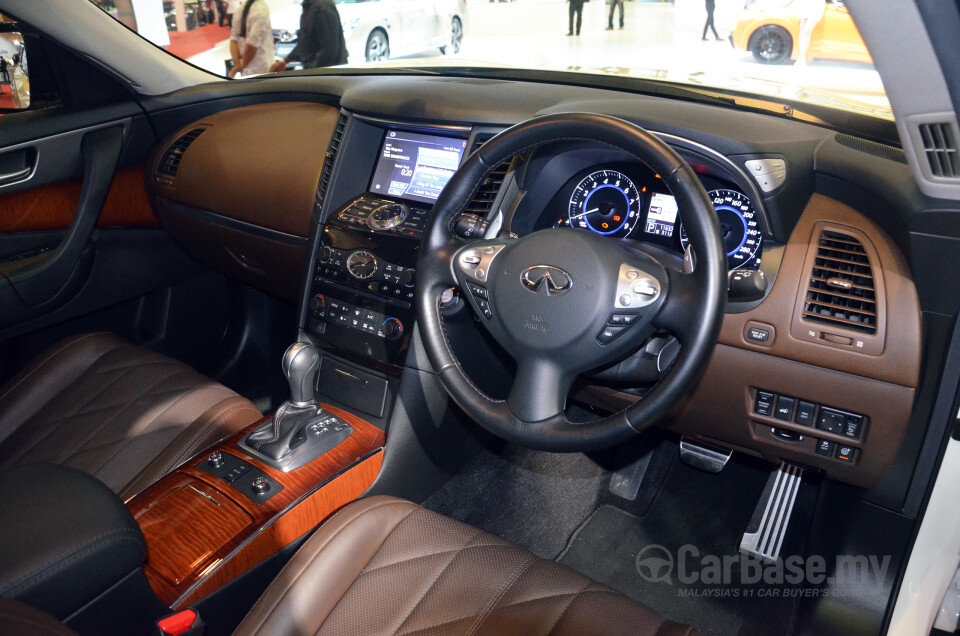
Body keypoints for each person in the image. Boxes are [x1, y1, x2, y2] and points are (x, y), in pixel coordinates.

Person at [269, 0, 347, 70]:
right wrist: (285, 61)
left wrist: (313, 70)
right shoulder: (309, 6)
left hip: (327, 72)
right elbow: (305, 41)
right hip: (315, 71)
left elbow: (330, 48)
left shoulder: (324, 7)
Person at [228, 0, 274, 78]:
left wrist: (238, 65)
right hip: (262, 68)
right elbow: (252, 44)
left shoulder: (239, 10)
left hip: (247, 69)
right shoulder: (262, 8)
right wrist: (242, 65)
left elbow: (233, 40)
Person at [794, 0, 826, 67]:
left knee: (807, 30)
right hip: (805, 3)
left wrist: (836, 2)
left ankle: (800, 57)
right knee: (802, 30)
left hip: (817, 5)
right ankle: (802, 58)